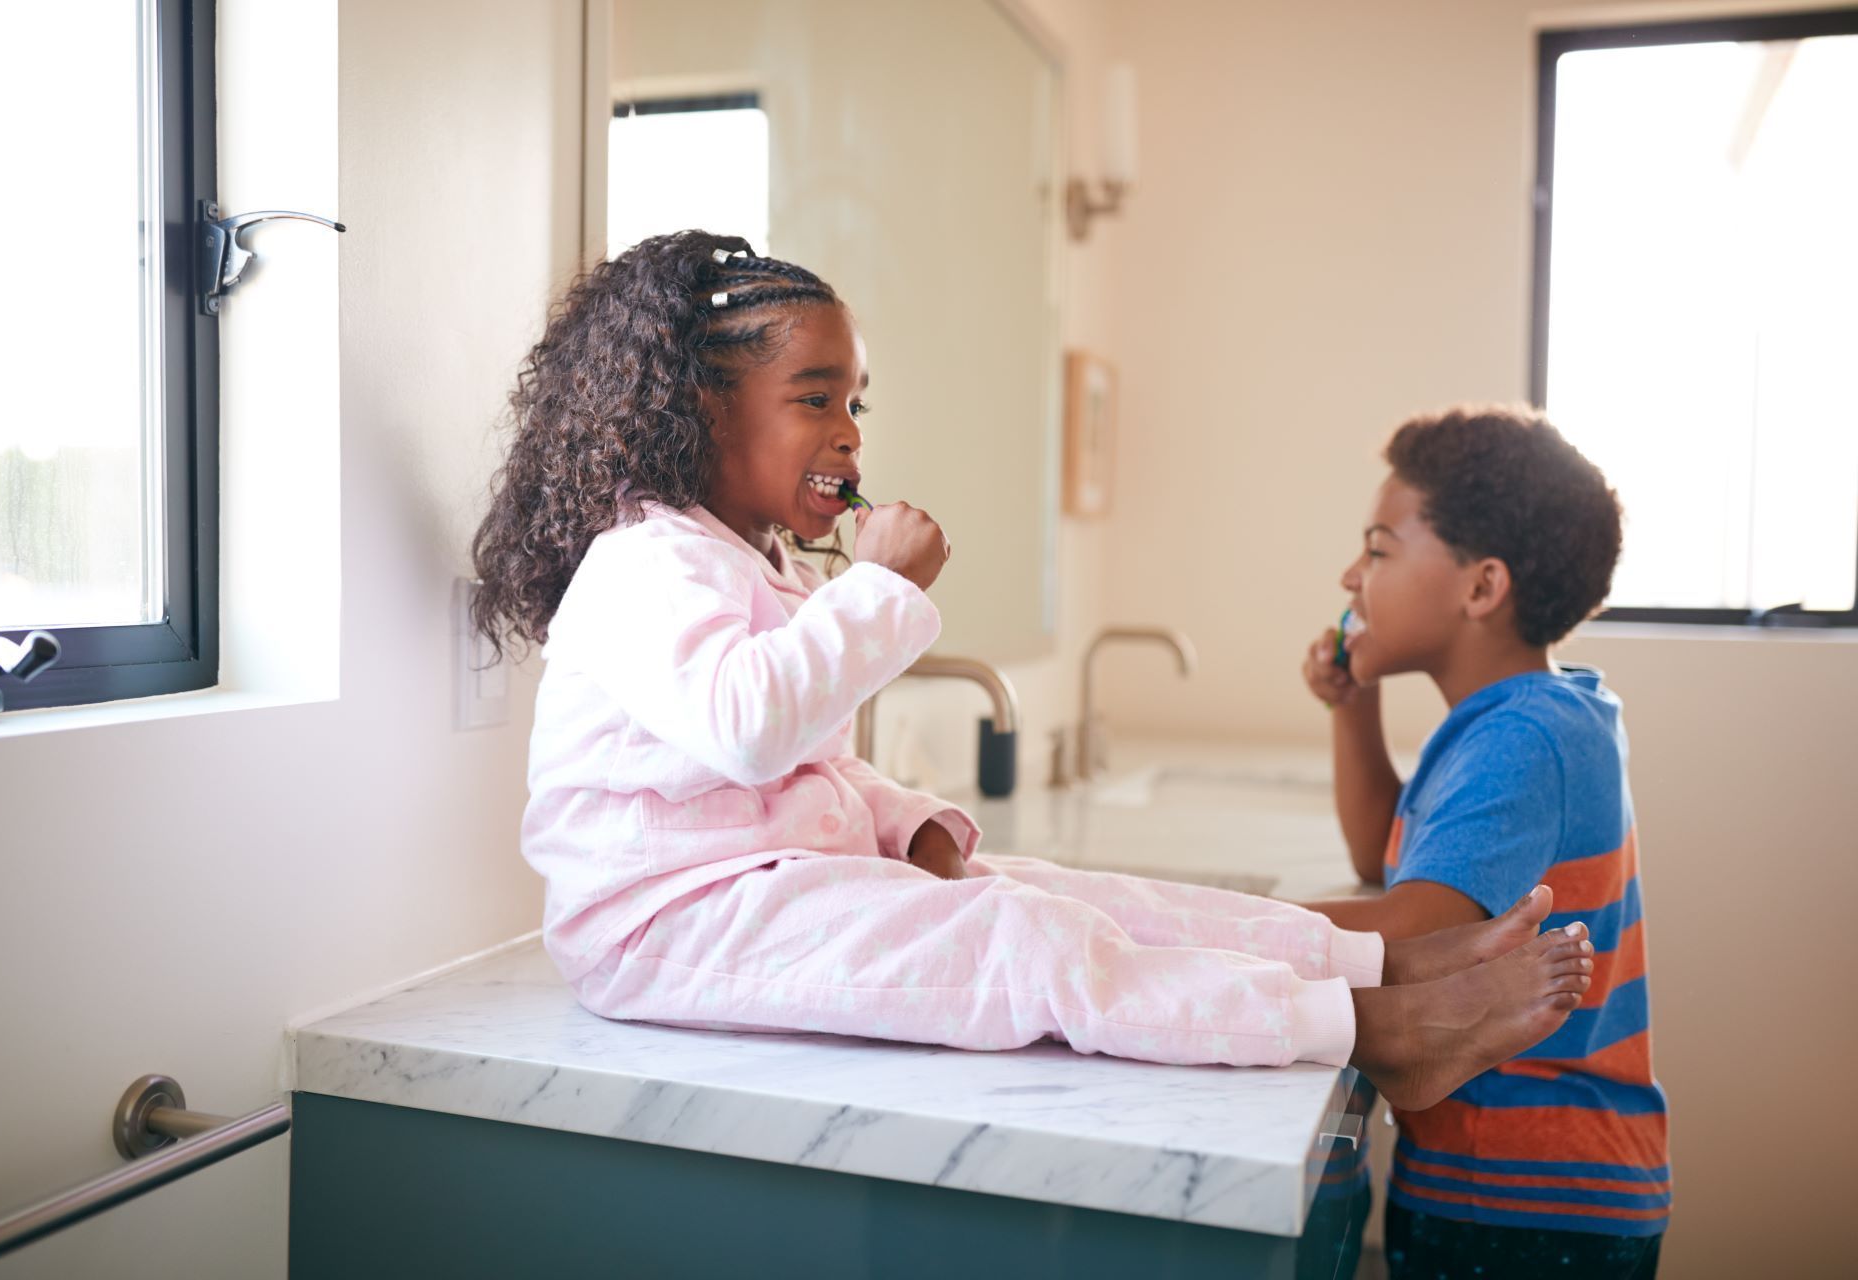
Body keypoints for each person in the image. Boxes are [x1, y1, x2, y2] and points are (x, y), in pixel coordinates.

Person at [471, 231, 1593, 1113]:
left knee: (1061, 892)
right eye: (815, 398)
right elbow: (749, 729)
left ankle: (1371, 962)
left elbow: (803, 767)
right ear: (703, 409)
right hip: (663, 929)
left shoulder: (750, 567)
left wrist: (906, 817)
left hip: (755, 893)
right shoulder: (638, 561)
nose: (850, 435)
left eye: (856, 402)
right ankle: (1376, 1029)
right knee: (1027, 944)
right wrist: (880, 592)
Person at [1299, 405, 1669, 1276]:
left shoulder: (1522, 741)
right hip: (1522, 1181)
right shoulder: (1518, 719)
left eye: (1380, 548)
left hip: (1526, 1194)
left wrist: (1215, 924)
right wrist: (1353, 707)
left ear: (1480, 587)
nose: (1351, 575)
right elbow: (1383, 867)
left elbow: (1419, 925)